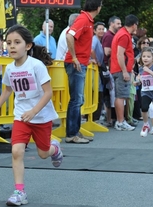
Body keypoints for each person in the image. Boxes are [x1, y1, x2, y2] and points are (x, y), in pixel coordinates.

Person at [0, 25, 63, 206]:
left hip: (40, 116)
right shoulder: (9, 69)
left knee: (43, 153)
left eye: (17, 42)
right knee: (16, 151)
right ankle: (19, 192)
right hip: (21, 116)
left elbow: (48, 93)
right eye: (8, 43)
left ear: (28, 46)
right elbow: (7, 89)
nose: (12, 46)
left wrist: (34, 111)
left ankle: (55, 149)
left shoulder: (36, 66)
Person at [64, 0, 102, 143]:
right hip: (75, 64)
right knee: (76, 99)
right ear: (98, 8)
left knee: (77, 99)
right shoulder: (84, 19)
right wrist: (74, 58)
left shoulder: (86, 19)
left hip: (78, 63)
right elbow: (70, 35)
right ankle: (71, 134)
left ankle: (74, 131)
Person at [110, 14, 139, 131]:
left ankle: (120, 121)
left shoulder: (122, 33)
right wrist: (124, 71)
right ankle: (121, 121)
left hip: (119, 69)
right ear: (134, 24)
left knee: (120, 96)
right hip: (120, 70)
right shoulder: (124, 35)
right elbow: (120, 54)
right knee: (121, 96)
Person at [102, 16, 122, 127]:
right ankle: (110, 119)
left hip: (111, 67)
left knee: (113, 94)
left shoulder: (114, 35)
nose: (120, 26)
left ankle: (113, 118)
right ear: (111, 23)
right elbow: (107, 52)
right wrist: (120, 51)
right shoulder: (109, 36)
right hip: (108, 67)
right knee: (110, 94)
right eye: (118, 23)